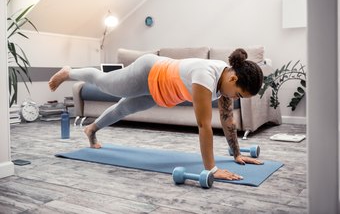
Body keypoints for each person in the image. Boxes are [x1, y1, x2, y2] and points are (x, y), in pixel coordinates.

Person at [49, 48, 264, 180]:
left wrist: (236, 154)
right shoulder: (206, 76)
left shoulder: (225, 79)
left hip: (160, 93)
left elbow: (228, 120)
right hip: (148, 72)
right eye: (239, 95)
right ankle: (70, 72)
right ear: (234, 80)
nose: (235, 99)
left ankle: (91, 130)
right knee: (105, 83)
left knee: (123, 109)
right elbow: (204, 125)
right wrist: (212, 169)